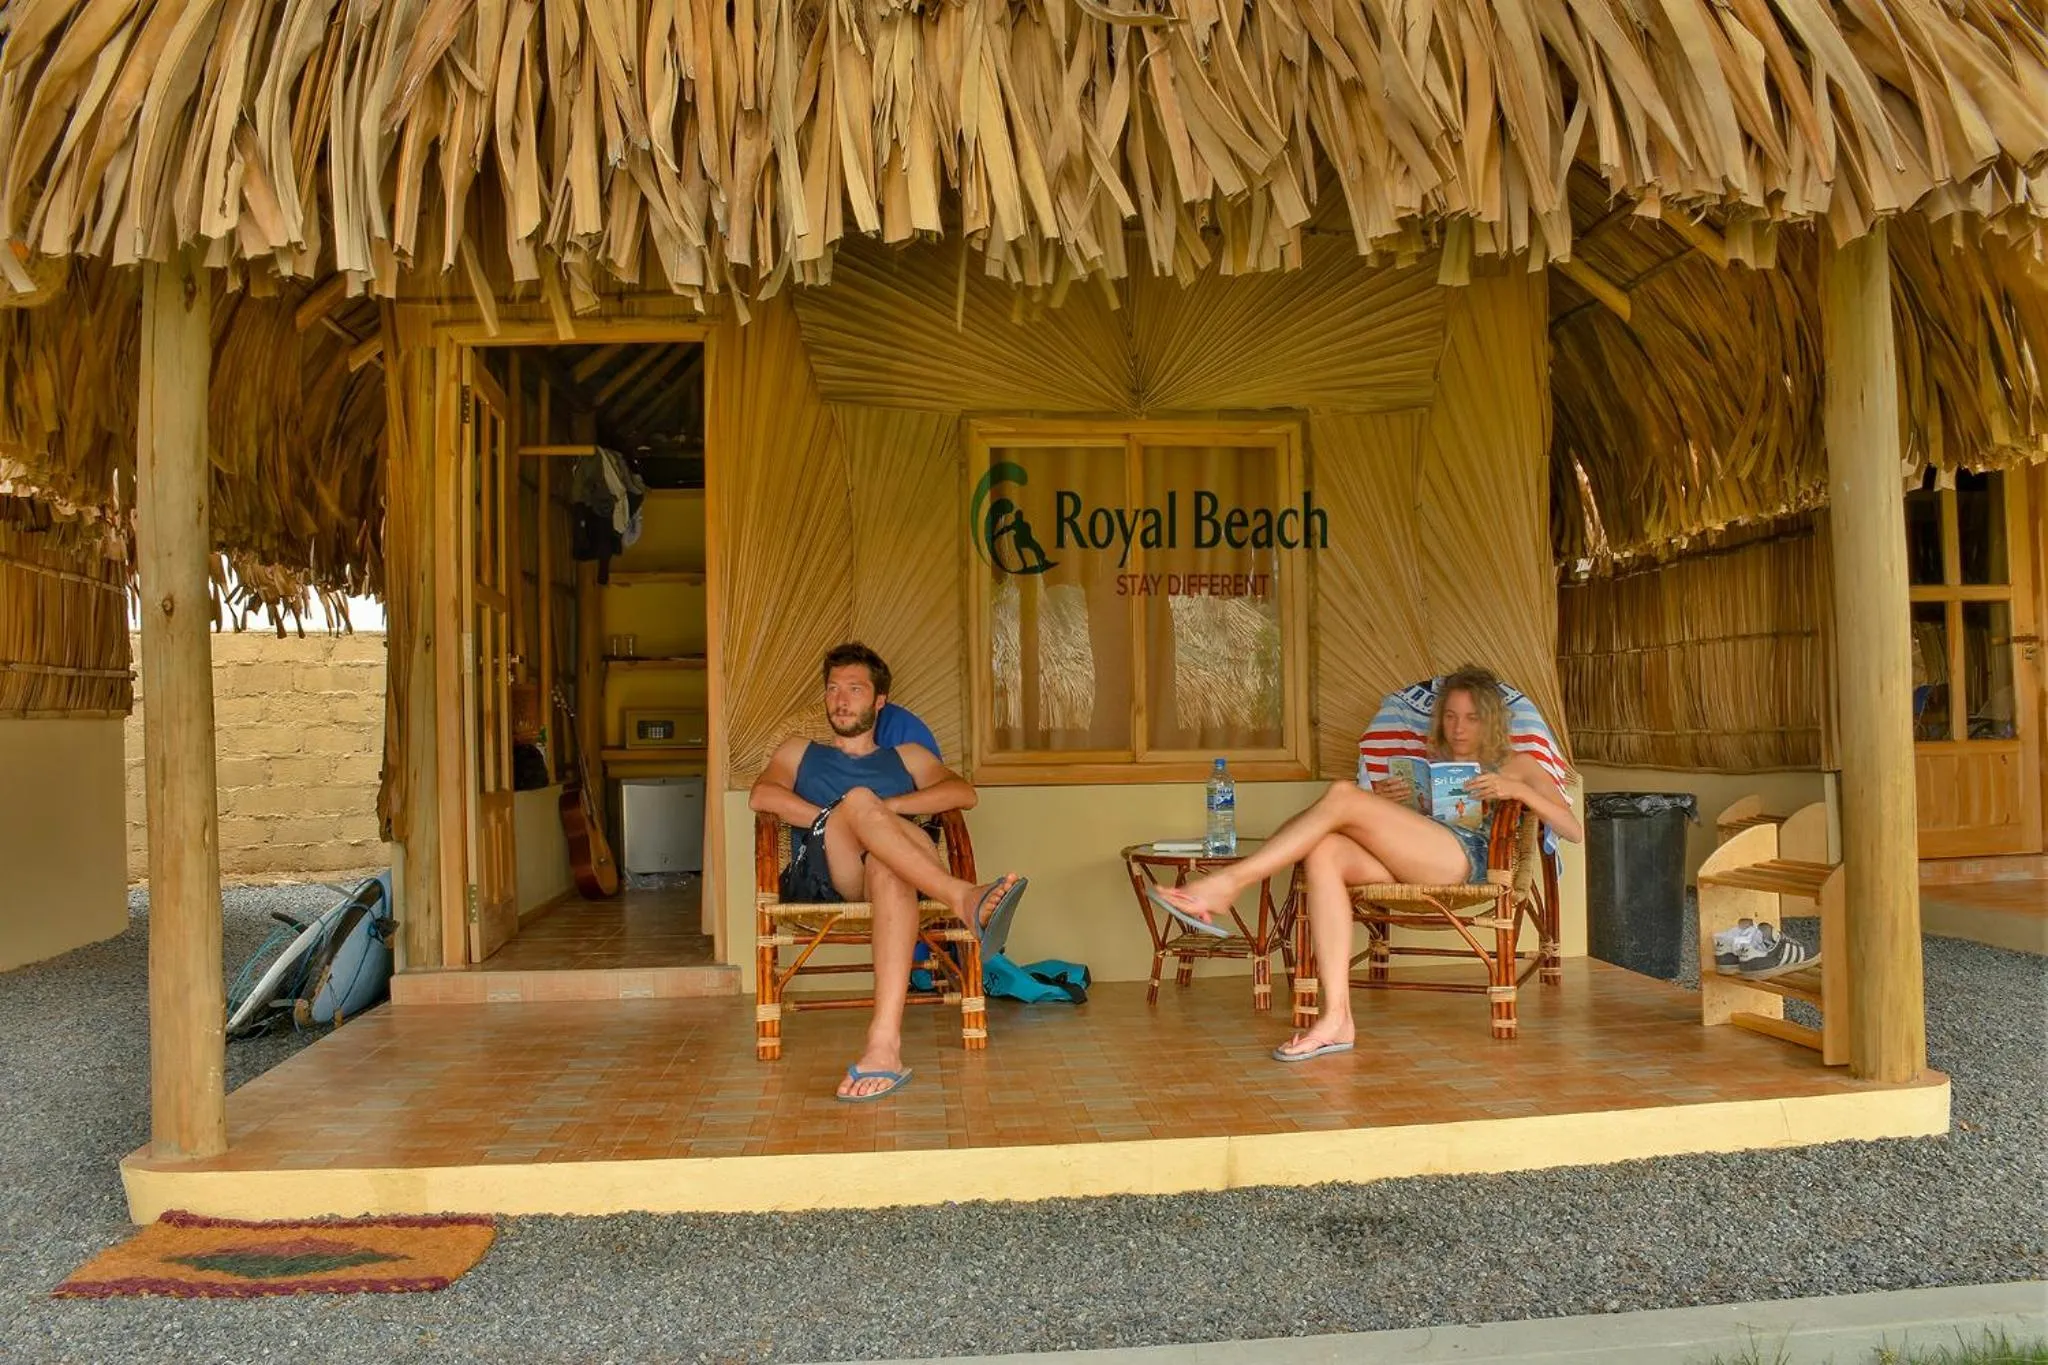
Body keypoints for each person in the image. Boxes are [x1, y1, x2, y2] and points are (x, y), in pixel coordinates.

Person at [1153, 664, 1581, 1062]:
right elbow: (1406, 830)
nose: (1458, 728)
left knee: (1342, 796)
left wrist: (1516, 791)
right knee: (1326, 852)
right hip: (1416, 858)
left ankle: (1230, 882)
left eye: (1471, 718)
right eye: (1450, 716)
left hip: (1464, 860)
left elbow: (1572, 828)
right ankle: (1337, 1018)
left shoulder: (1518, 763)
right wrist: (1387, 803)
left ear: (1491, 720)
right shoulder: (1428, 765)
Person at [750, 642, 1028, 1101]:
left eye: (855, 689)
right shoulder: (800, 751)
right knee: (859, 801)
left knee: (886, 859)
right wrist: (844, 816)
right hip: (829, 871)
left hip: (894, 869)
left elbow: (962, 793)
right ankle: (964, 897)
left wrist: (885, 813)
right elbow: (763, 796)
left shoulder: (908, 756)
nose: (841, 699)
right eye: (833, 689)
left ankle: (884, 1047)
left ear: (880, 701)